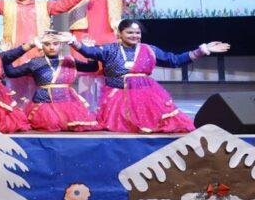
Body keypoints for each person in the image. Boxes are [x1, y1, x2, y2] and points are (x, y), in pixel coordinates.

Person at [35, 0, 151, 102]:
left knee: (109, 72)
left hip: (108, 34)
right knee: (85, 75)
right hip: (83, 34)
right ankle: (87, 110)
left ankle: (108, 107)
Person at [69, 20, 229, 133]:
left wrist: (202, 50)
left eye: (137, 33)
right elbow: (89, 52)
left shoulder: (149, 49)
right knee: (120, 130)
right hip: (117, 99)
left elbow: (174, 60)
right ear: (120, 33)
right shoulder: (109, 49)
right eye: (130, 32)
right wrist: (72, 41)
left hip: (145, 98)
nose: (134, 35)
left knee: (155, 128)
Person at [0, 0, 88, 101]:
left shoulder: (44, 5)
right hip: (16, 55)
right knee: (16, 96)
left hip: (39, 55)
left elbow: (64, 4)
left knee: (39, 94)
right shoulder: (6, 5)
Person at [1, 32, 102, 132]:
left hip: (69, 106)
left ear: (61, 45)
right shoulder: (35, 62)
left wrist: (87, 49)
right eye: (47, 44)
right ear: (41, 45)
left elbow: (92, 68)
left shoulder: (69, 61)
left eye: (55, 44)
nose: (51, 47)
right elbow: (11, 72)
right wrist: (25, 47)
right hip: (43, 106)